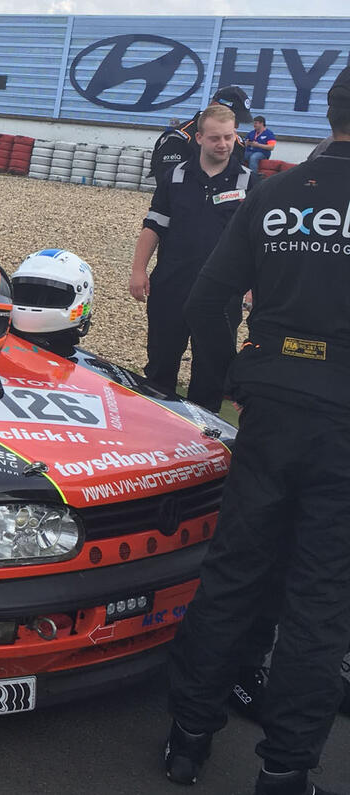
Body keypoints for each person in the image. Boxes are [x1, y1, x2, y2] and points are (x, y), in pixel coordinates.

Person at [161, 65, 350, 795]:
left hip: (268, 405)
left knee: (234, 571)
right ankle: (284, 767)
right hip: (340, 417)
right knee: (320, 596)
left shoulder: (273, 193)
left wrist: (235, 377)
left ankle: (187, 737)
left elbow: (207, 300)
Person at [128, 104, 255, 411]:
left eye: (228, 137)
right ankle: (155, 427)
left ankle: (204, 441)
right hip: (171, 285)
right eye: (215, 138)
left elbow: (255, 242)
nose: (223, 144)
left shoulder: (250, 182)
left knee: (211, 372)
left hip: (221, 295)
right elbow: (153, 226)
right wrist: (138, 270)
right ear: (198, 138)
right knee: (160, 364)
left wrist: (252, 287)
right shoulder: (174, 177)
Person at [148, 86, 253, 180]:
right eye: (234, 118)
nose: (236, 126)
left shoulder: (237, 144)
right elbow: (166, 185)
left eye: (238, 121)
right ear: (214, 106)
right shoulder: (179, 139)